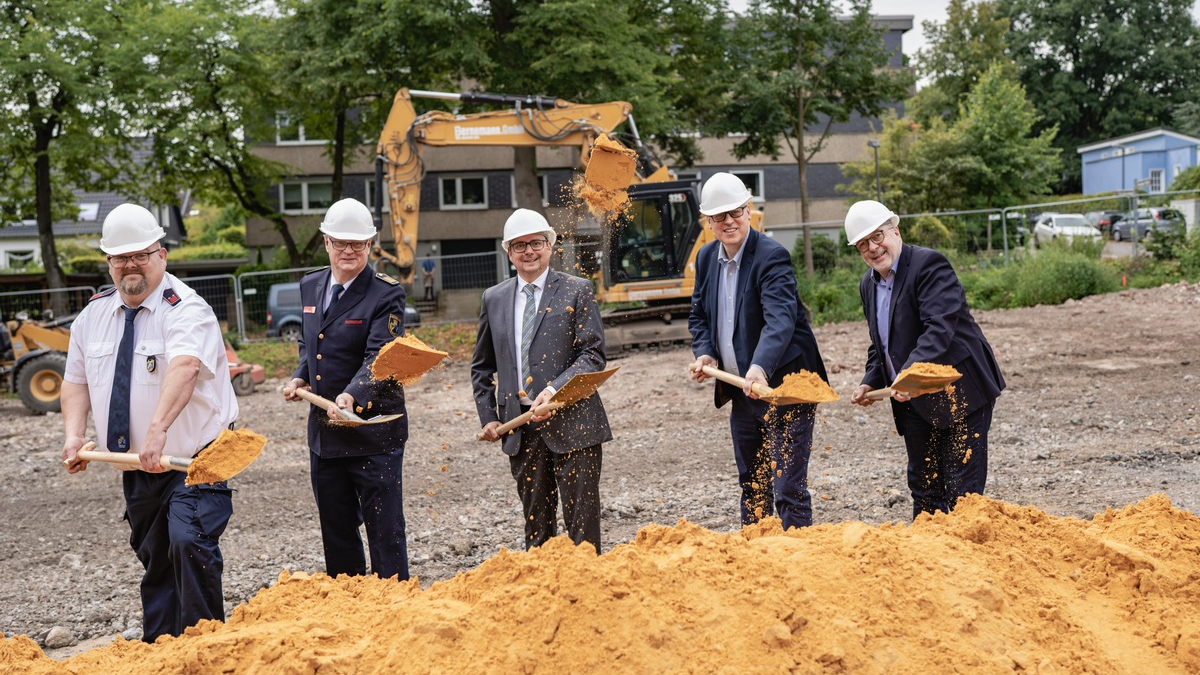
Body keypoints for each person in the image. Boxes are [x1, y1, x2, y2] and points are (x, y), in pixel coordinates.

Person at [60, 204, 238, 642]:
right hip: (138, 465)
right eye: (120, 258)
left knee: (188, 541)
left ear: (161, 254)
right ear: (108, 262)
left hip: (194, 456)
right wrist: (73, 435)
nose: (130, 265)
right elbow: (75, 383)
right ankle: (161, 649)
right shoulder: (92, 316)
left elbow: (185, 367)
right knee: (156, 557)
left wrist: (158, 428)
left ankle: (205, 648)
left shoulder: (186, 309)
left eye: (140, 254)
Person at [844, 200, 1005, 518]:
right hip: (914, 399)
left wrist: (906, 375)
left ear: (895, 231)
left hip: (960, 391)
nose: (873, 248)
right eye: (863, 244)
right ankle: (930, 563)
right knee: (924, 487)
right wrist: (869, 381)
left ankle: (969, 560)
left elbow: (938, 331)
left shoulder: (929, 265)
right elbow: (882, 345)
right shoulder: (869, 284)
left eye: (878, 237)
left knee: (963, 492)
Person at [687, 173, 829, 530]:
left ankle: (798, 559)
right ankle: (757, 558)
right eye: (719, 216)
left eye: (735, 212)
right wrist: (705, 353)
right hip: (742, 390)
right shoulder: (706, 259)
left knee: (787, 486)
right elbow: (699, 315)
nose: (729, 222)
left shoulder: (771, 256)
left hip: (784, 388)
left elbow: (780, 320)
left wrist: (760, 367)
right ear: (709, 222)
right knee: (752, 484)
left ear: (748, 211)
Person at [282, 197, 410, 579]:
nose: (348, 251)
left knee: (384, 531)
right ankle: (348, 605)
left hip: (373, 429)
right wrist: (300, 374)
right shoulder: (310, 285)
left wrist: (353, 394)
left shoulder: (386, 293)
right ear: (326, 242)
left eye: (357, 244)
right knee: (336, 532)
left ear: (370, 245)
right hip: (325, 433)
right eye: (341, 242)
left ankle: (394, 603)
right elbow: (311, 343)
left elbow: (381, 357)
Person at [471, 209, 611, 552]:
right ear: (508, 252)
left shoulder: (576, 290)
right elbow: (481, 367)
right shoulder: (494, 299)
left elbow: (592, 355)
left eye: (536, 242)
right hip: (522, 429)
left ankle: (589, 593)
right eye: (519, 246)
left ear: (550, 245)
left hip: (574, 422)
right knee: (536, 529)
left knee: (583, 528)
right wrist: (490, 418)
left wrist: (552, 391)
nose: (528, 251)